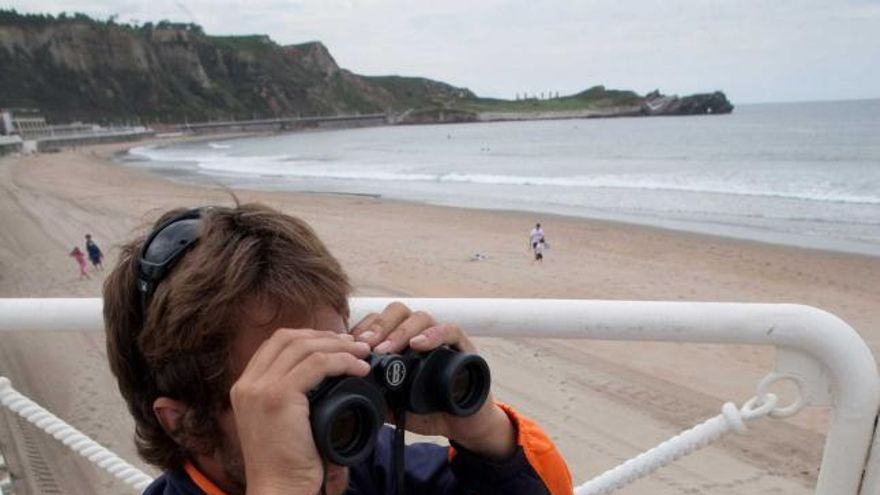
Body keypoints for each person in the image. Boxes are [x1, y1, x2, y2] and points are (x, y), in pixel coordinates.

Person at [103, 203, 572, 495]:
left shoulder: (372, 465)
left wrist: (486, 438)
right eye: (293, 391)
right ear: (185, 423)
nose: (336, 412)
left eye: (336, 366)